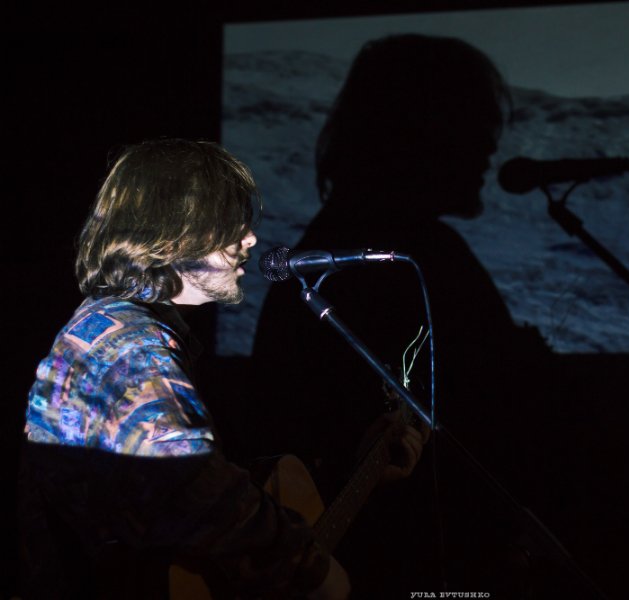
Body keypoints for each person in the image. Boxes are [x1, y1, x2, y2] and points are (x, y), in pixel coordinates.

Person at [18, 139, 424, 599]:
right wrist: (310, 572)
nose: (249, 239)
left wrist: (359, 472)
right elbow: (195, 490)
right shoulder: (131, 349)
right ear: (173, 232)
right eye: (230, 222)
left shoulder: (117, 331)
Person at [252, 34, 553, 594]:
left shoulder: (331, 252)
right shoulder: (407, 260)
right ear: (424, 131)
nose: (491, 146)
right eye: (474, 123)